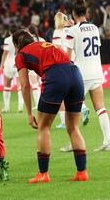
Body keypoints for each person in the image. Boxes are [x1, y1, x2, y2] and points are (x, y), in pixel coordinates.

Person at [13, 29, 88, 183]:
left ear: (16, 45)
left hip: (56, 76)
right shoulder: (42, 44)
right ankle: (82, 172)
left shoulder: (20, 55)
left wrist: (29, 113)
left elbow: (25, 85)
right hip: (75, 74)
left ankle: (43, 174)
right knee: (73, 127)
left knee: (43, 127)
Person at [62, 0, 110, 152]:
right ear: (86, 11)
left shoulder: (72, 31)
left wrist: (69, 30)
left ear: (73, 13)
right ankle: (108, 141)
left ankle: (73, 142)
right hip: (97, 71)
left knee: (70, 110)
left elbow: (67, 57)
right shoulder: (95, 28)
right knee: (101, 108)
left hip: (80, 74)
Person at [52, 12, 75, 130]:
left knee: (60, 94)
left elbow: (57, 49)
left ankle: (63, 121)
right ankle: (83, 108)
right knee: (72, 93)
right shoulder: (70, 30)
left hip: (62, 65)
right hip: (73, 62)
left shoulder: (57, 32)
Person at [0, 24, 24, 113]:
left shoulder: (7, 40)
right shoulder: (21, 39)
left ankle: (7, 107)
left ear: (9, 32)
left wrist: (1, 65)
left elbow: (5, 53)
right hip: (18, 62)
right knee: (20, 86)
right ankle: (20, 107)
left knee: (6, 86)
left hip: (9, 63)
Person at [27, 25, 44, 110]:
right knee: (41, 83)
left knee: (34, 84)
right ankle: (43, 102)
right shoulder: (42, 40)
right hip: (43, 64)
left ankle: (38, 104)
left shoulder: (28, 40)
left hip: (33, 64)